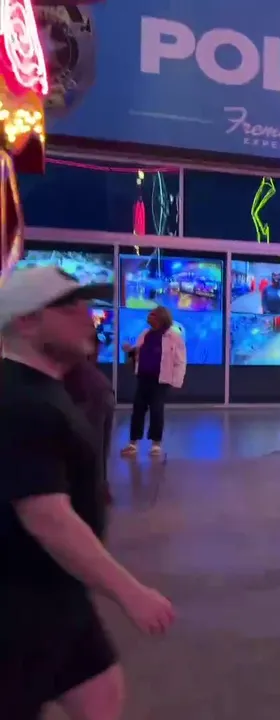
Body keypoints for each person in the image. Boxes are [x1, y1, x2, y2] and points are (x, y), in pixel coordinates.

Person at [0, 266, 175, 720]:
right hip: (18, 606)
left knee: (100, 692)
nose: (87, 315)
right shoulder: (21, 403)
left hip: (57, 591)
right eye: (68, 306)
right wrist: (130, 592)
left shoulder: (47, 390)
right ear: (26, 321)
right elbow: (47, 519)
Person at [120, 306, 187, 457]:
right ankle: (133, 443)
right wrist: (130, 351)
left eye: (152, 315)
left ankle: (156, 444)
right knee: (138, 410)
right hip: (143, 377)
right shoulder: (145, 334)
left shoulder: (174, 337)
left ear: (161, 318)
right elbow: (138, 352)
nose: (149, 317)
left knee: (156, 411)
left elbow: (180, 360)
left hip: (160, 380)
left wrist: (176, 380)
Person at [62, 340, 115, 512]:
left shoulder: (86, 383)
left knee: (90, 448)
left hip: (87, 395)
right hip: (93, 392)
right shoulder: (94, 382)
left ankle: (94, 491)